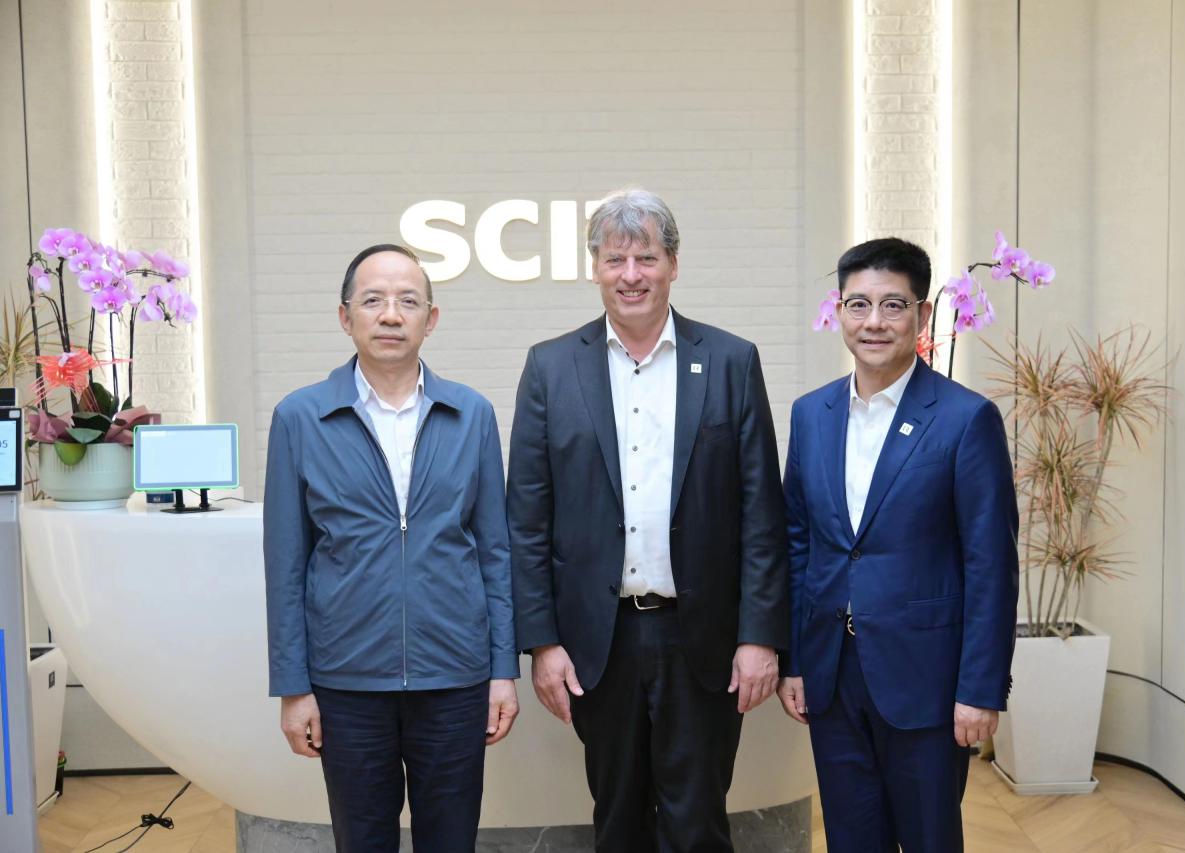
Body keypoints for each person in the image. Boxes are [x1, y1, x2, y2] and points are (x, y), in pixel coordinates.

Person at [506, 189, 788, 852]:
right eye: (615, 259)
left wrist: (760, 636)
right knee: (618, 818)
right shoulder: (550, 367)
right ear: (595, 269)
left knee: (699, 823)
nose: (630, 274)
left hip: (703, 639)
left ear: (673, 265)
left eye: (646, 258)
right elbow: (527, 518)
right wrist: (541, 643)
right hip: (597, 644)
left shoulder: (731, 361)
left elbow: (761, 513)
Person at [263, 244, 518, 852]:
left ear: (431, 319)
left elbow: (495, 553)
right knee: (363, 842)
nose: (390, 315)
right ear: (345, 316)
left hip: (455, 677)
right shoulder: (300, 417)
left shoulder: (471, 414)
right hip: (346, 683)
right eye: (372, 300)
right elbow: (286, 564)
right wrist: (294, 686)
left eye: (408, 301)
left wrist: (502, 671)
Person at [777, 237, 1018, 851]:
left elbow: (990, 565)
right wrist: (795, 661)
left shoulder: (965, 418)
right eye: (858, 305)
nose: (874, 322)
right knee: (851, 838)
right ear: (839, 312)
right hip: (832, 675)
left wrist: (979, 690)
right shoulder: (811, 415)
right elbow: (799, 545)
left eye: (893, 305)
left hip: (926, 680)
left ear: (922, 314)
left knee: (930, 838)